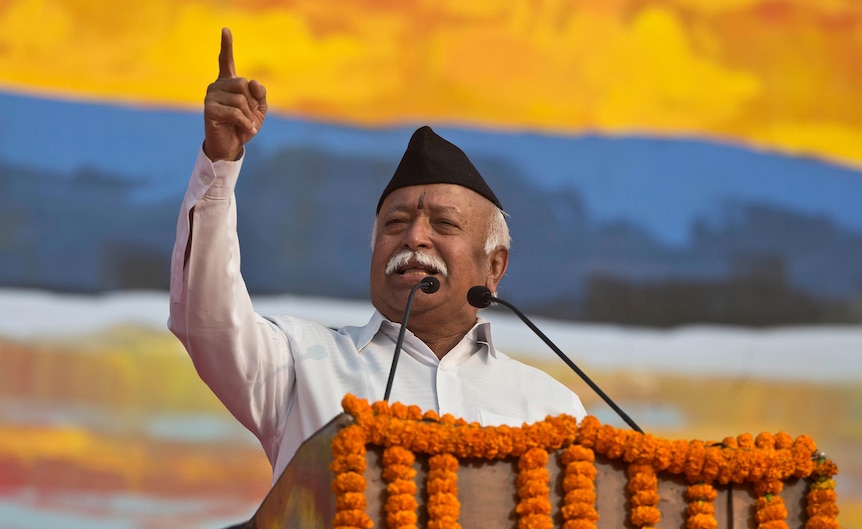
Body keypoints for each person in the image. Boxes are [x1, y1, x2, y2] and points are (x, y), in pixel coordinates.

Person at [168, 28, 587, 491]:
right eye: (395, 224)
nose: (415, 237)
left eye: (443, 224)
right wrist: (220, 163)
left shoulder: (552, 408)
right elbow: (207, 320)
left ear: (494, 267)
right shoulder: (301, 363)